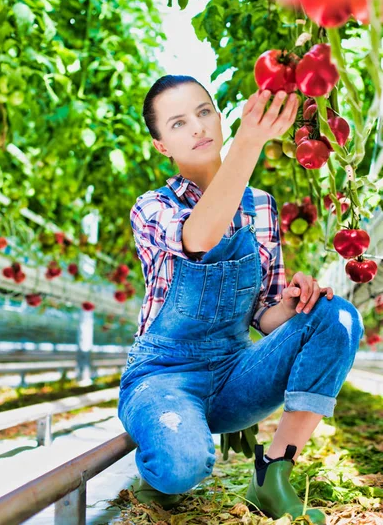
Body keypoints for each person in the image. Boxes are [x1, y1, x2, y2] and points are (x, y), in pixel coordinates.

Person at [117, 74, 364, 523]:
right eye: (178, 123)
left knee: (337, 318)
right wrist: (248, 144)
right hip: (164, 376)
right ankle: (161, 468)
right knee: (182, 467)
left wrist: (296, 301)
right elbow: (198, 238)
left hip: (235, 374)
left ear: (218, 116)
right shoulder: (153, 207)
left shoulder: (263, 208)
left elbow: (265, 315)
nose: (196, 127)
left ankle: (272, 473)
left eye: (203, 112)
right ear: (161, 146)